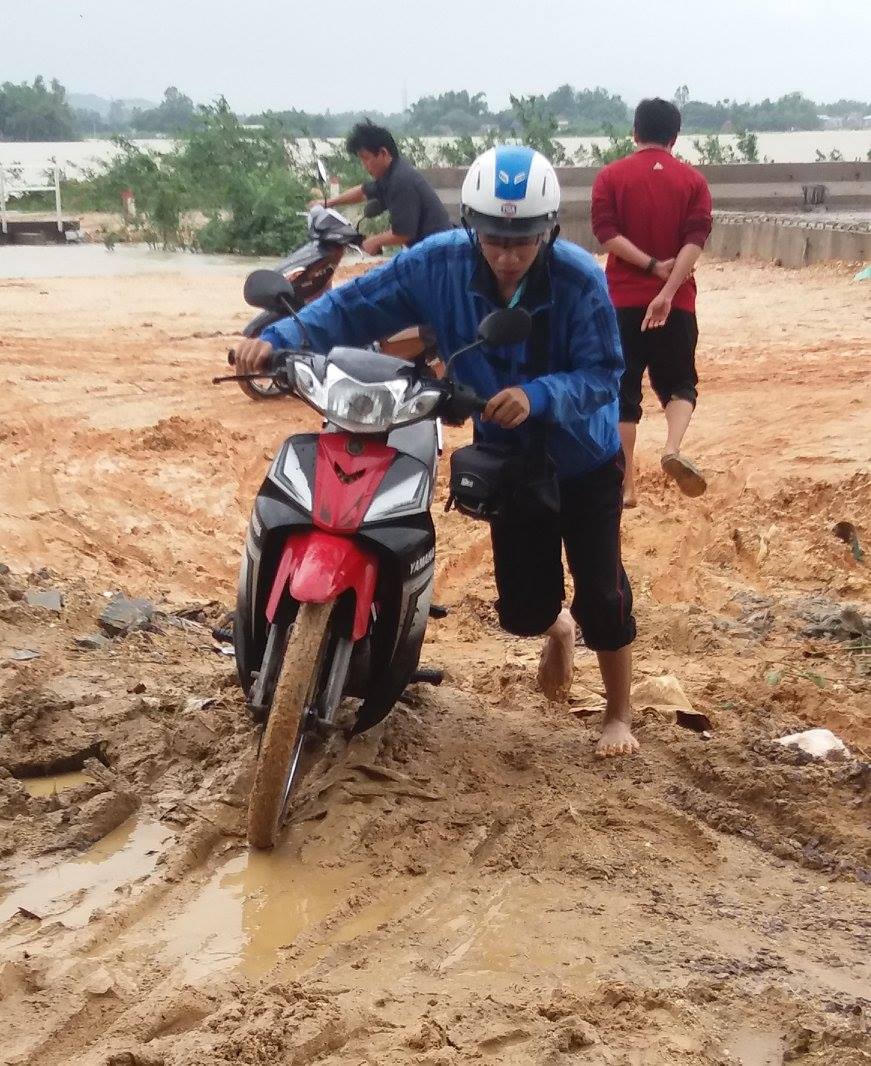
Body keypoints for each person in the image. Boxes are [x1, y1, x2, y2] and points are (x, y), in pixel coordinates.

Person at [235, 145, 638, 758]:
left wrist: (538, 397)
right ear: (473, 227)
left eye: (523, 240)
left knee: (602, 595)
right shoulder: (437, 263)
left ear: (549, 230)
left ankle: (618, 713)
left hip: (583, 455)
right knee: (524, 614)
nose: (506, 255)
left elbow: (606, 374)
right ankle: (555, 626)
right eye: (494, 238)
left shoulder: (581, 280)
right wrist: (278, 338)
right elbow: (355, 304)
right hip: (507, 456)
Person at [591, 97, 713, 508]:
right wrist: (667, 290)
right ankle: (672, 449)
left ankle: (626, 486)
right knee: (680, 384)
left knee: (624, 393)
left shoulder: (610, 176)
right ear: (674, 137)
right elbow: (695, 241)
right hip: (677, 304)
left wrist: (649, 266)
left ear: (635, 132)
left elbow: (606, 234)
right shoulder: (693, 182)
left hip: (622, 301)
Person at [321, 120, 451, 255]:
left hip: (438, 253)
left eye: (366, 158)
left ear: (383, 153)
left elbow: (403, 233)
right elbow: (363, 192)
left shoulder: (401, 180)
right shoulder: (390, 175)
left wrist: (374, 241)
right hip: (423, 249)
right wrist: (329, 203)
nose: (364, 165)